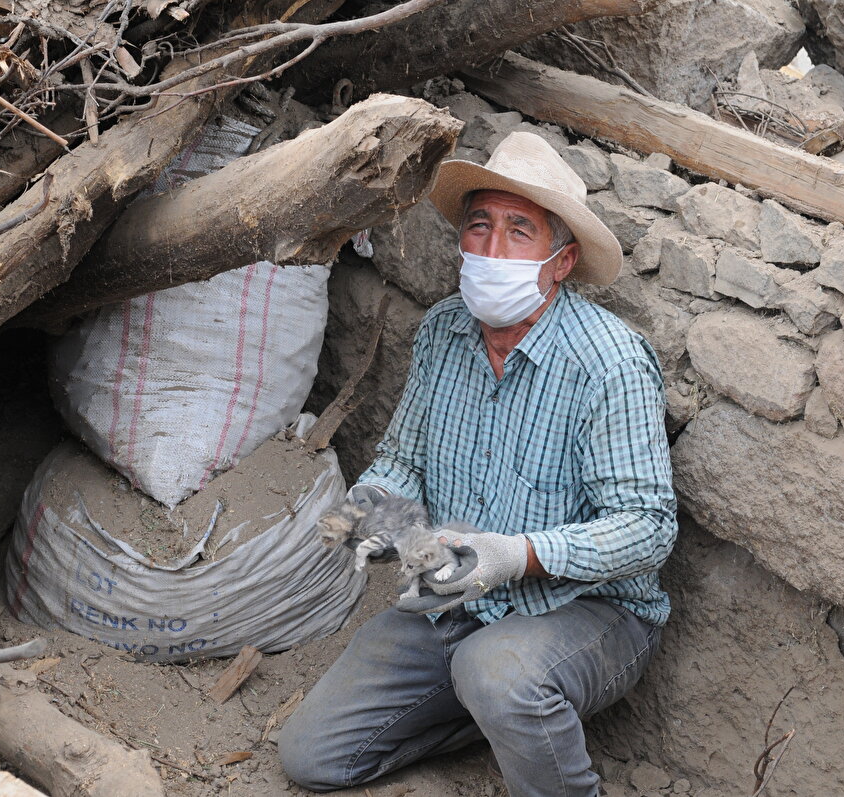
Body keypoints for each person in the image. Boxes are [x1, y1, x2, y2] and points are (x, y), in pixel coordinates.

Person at [279, 132, 677, 797]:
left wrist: (515, 554)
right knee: (312, 753)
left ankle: (522, 731)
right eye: (480, 228)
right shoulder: (443, 330)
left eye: (519, 232)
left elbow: (648, 528)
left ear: (560, 260)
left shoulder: (609, 363)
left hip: (591, 610)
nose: (492, 252)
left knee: (499, 672)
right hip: (461, 591)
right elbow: (402, 460)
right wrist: (379, 507)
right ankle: (493, 718)